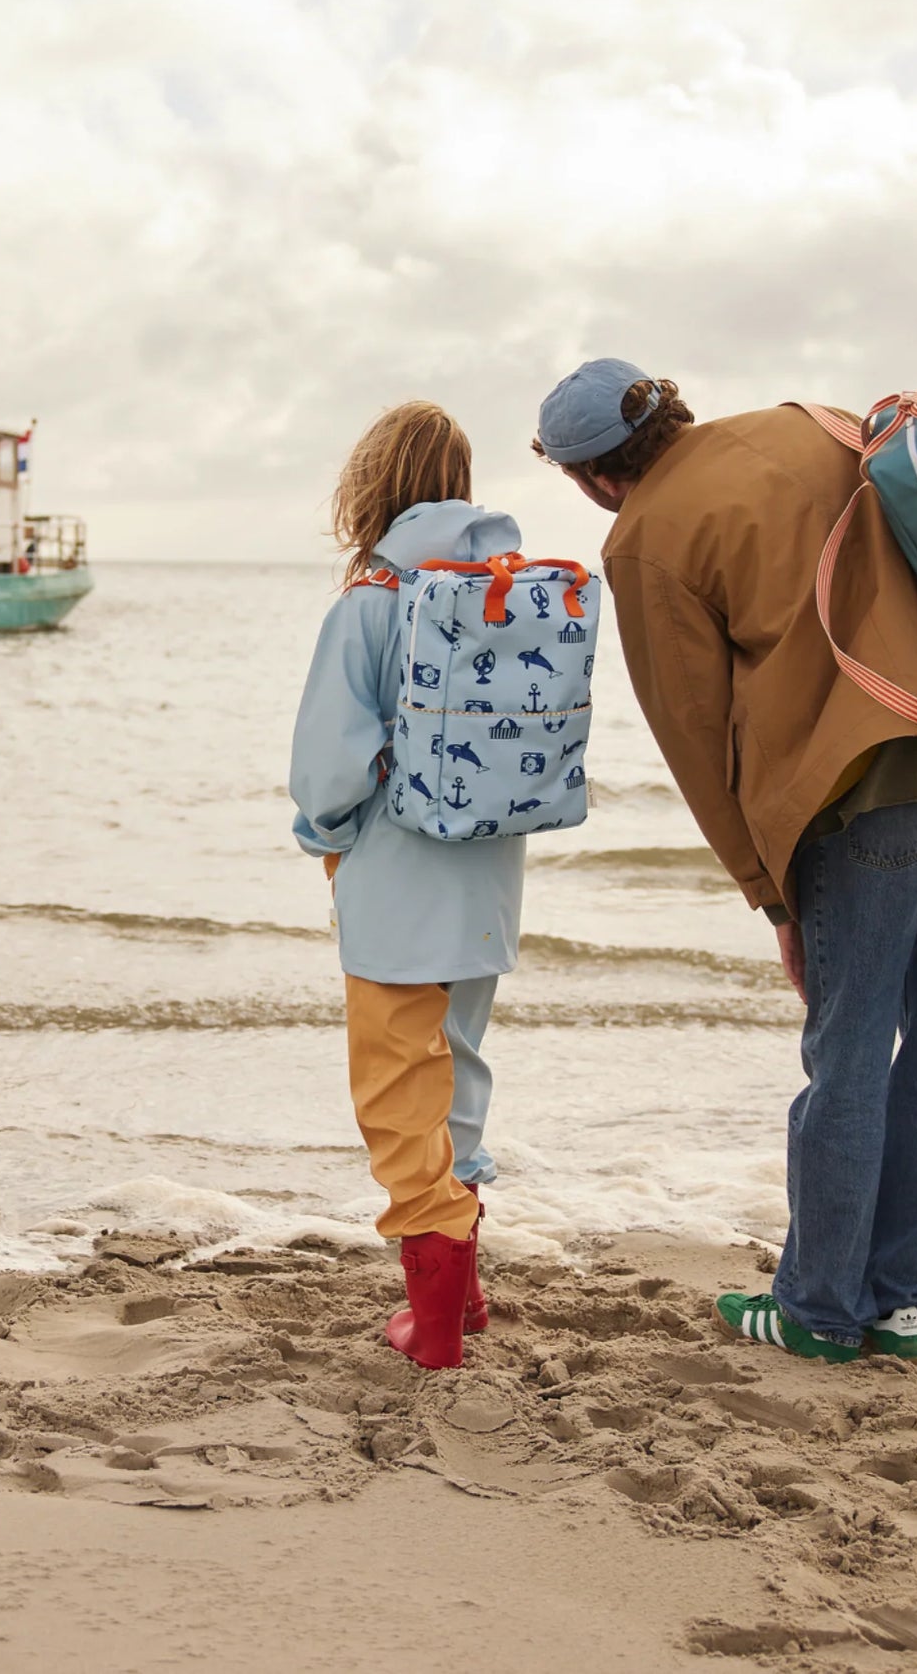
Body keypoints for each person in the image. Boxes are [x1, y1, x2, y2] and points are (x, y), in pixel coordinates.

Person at [536, 357, 917, 1364]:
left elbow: (695, 739)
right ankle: (900, 1306)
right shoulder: (810, 423)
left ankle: (814, 1310)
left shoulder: (644, 538)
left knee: (844, 1055)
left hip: (854, 796)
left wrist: (769, 900)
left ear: (591, 475)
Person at [290, 402, 526, 1369]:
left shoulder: (373, 600)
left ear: (372, 483)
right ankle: (462, 1301)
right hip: (488, 881)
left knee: (396, 1093)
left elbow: (328, 767)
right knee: (457, 1070)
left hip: (395, 884)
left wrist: (326, 838)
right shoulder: (506, 591)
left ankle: (433, 1335)